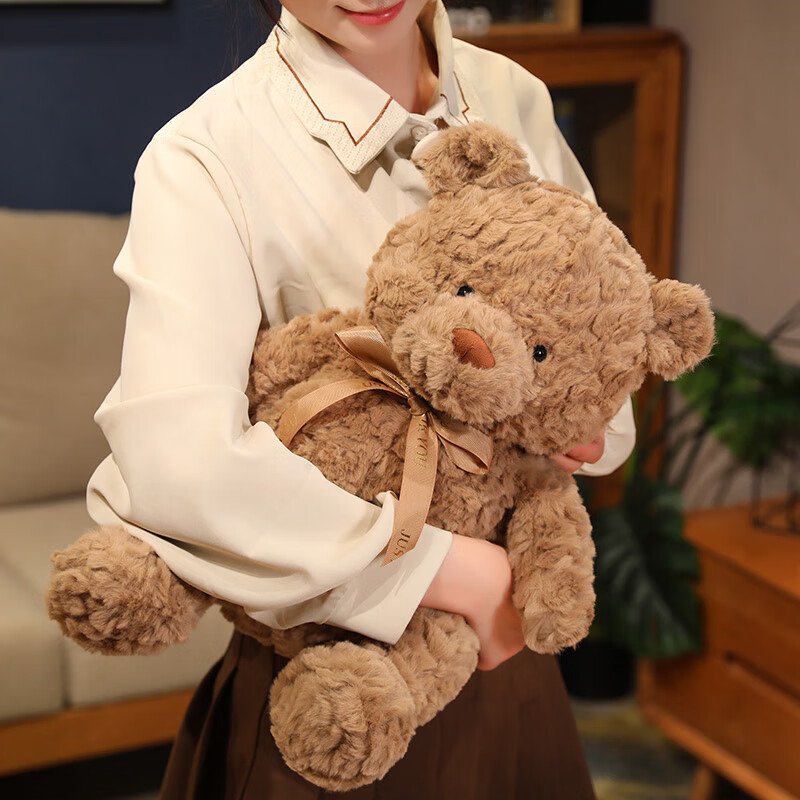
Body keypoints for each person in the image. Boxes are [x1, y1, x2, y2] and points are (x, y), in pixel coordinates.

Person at [88, 1, 635, 797]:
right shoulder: (207, 155)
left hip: (512, 677)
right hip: (330, 694)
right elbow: (179, 465)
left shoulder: (509, 94)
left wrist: (580, 421)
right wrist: (451, 572)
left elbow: (604, 312)